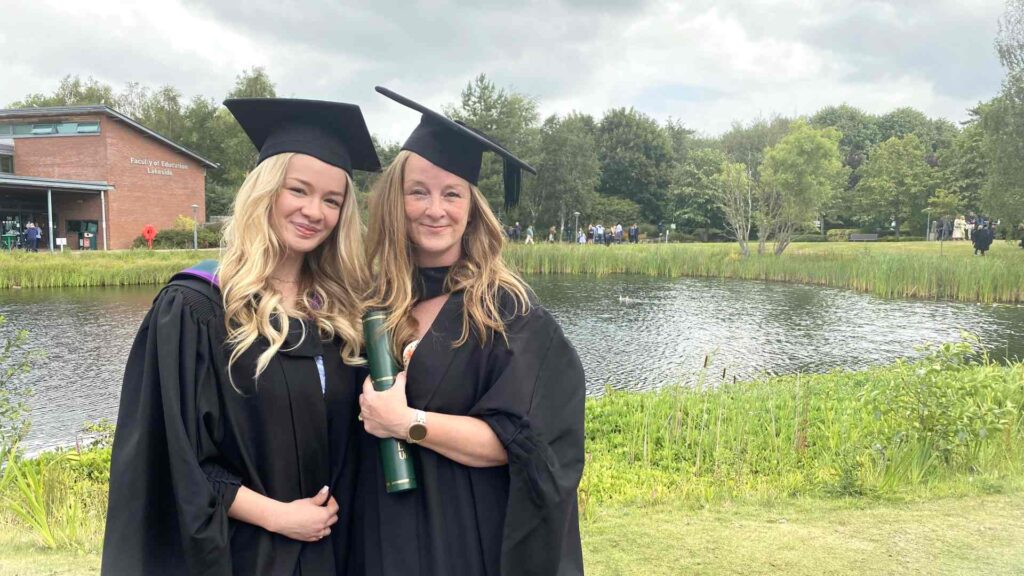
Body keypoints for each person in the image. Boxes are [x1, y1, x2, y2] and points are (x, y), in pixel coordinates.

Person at [102, 98, 381, 575]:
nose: (314, 211)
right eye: (299, 190)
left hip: (334, 550)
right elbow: (175, 453)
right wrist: (280, 517)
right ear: (266, 191)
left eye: (331, 200)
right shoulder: (199, 306)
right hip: (246, 553)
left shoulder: (341, 313)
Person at [353, 87, 585, 576]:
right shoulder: (372, 301)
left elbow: (526, 442)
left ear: (472, 207)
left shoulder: (507, 312)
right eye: (418, 191)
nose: (435, 208)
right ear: (396, 201)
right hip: (378, 532)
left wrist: (406, 422)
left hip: (462, 536)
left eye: (451, 193)